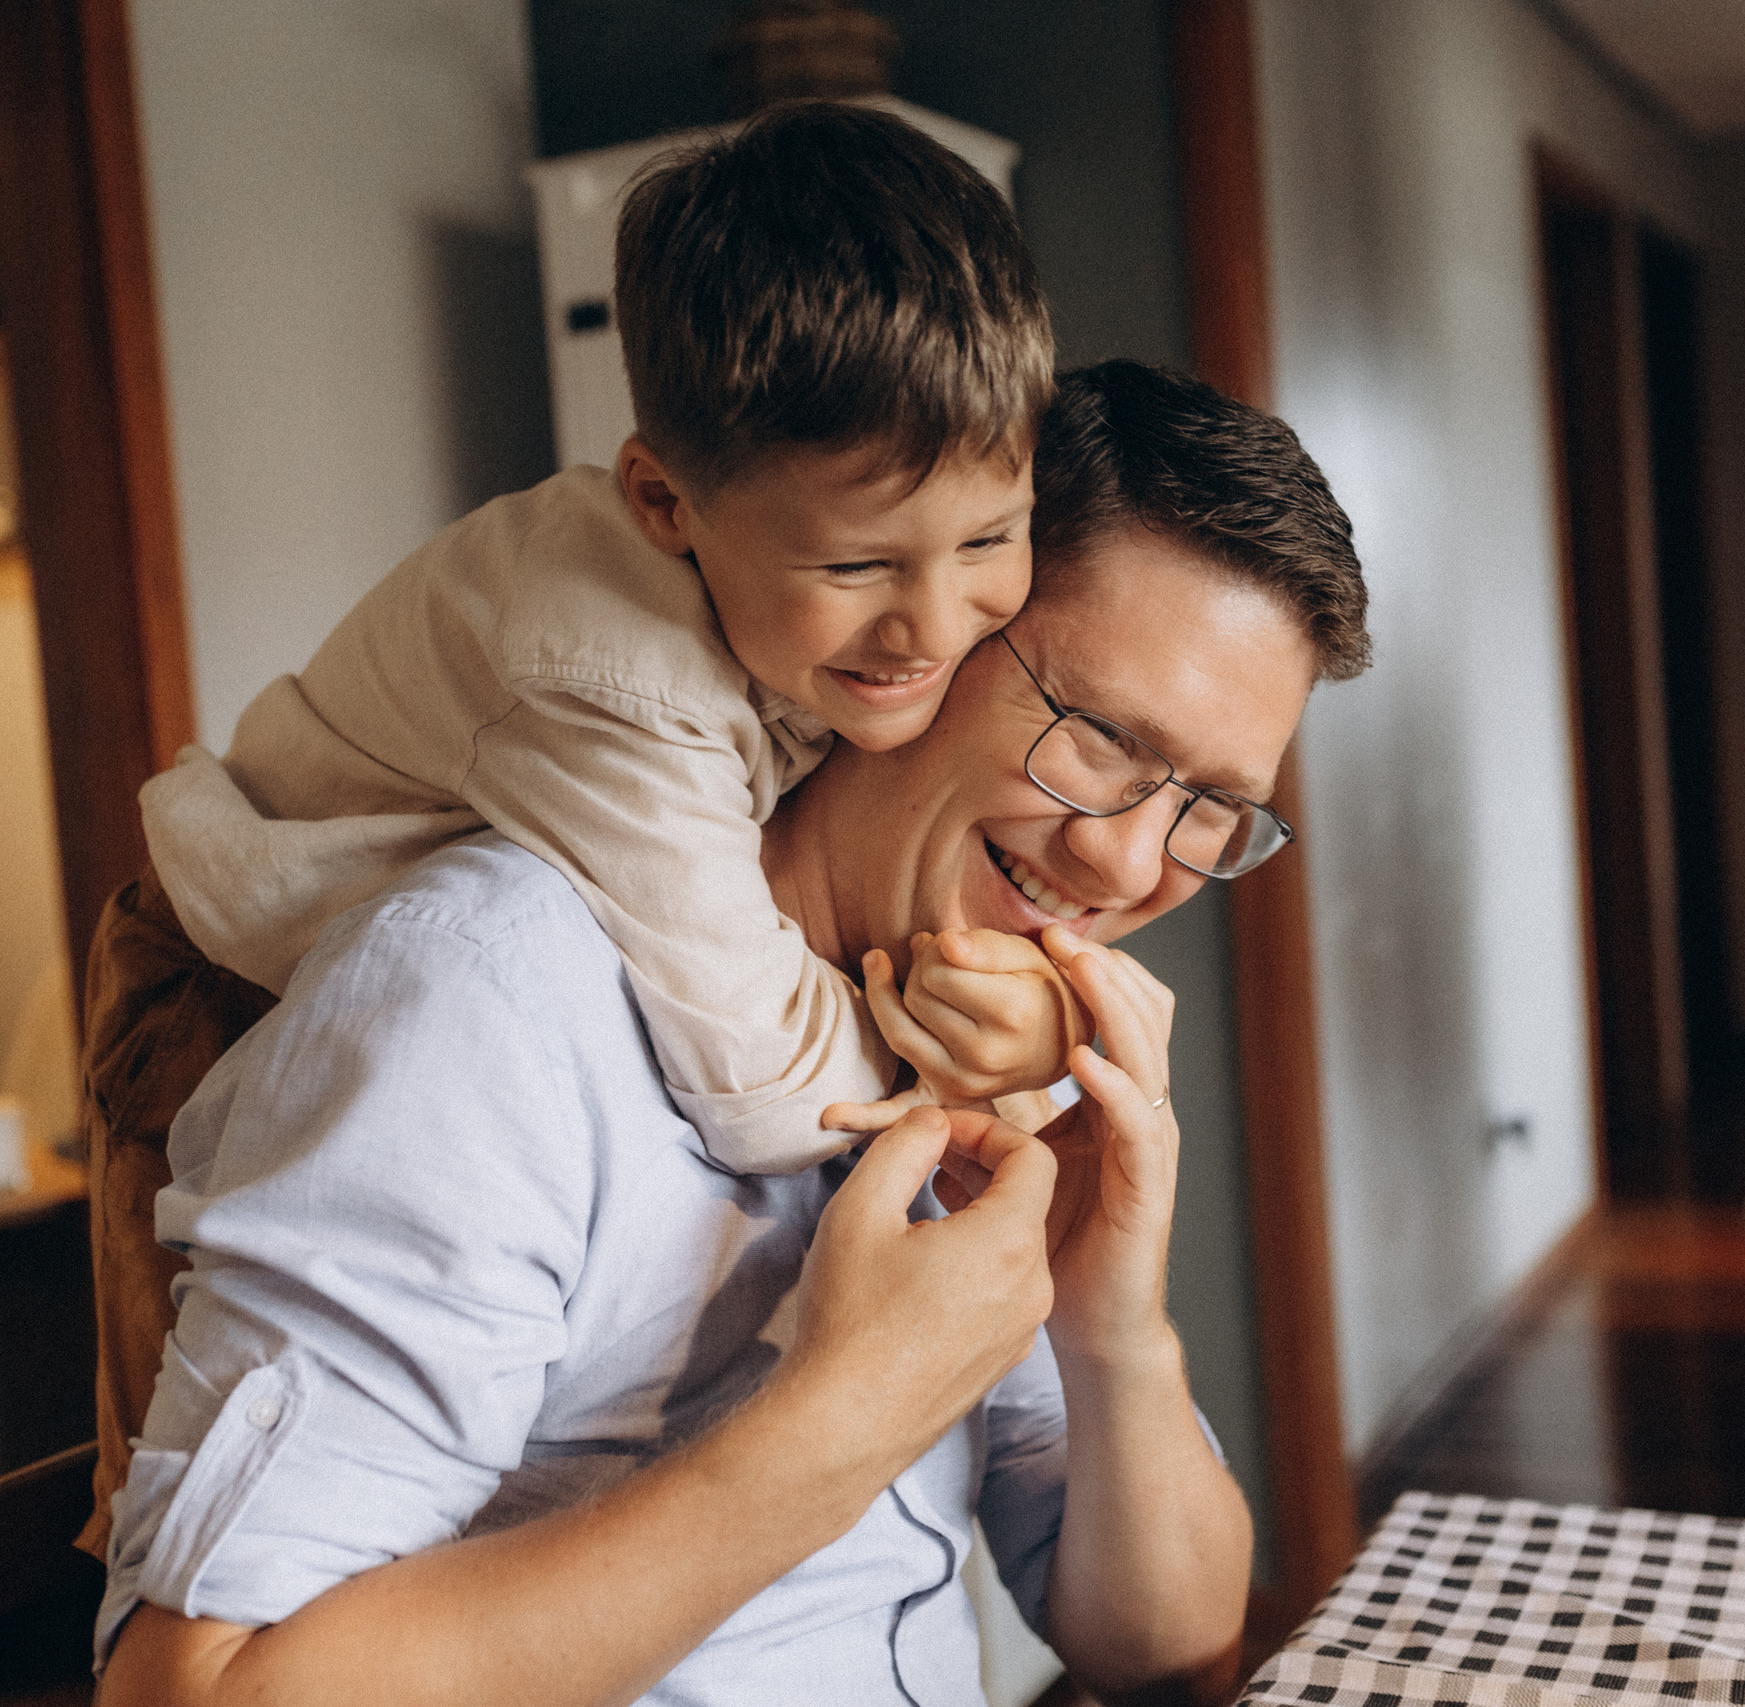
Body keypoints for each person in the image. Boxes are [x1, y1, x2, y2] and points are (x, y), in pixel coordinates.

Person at [96, 361, 1372, 1706]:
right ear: (920, 643)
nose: (1127, 861)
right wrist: (844, 1416)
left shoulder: (987, 1048)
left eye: (1213, 806)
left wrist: (1114, 1326)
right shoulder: (481, 998)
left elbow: (1172, 1655)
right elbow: (194, 1691)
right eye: (1098, 733)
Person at [138, 99, 1086, 1193]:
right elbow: (771, 1090)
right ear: (663, 502)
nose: (935, 624)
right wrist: (985, 1058)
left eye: (988, 539)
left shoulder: (802, 610)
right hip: (214, 988)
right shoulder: (620, 683)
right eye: (855, 566)